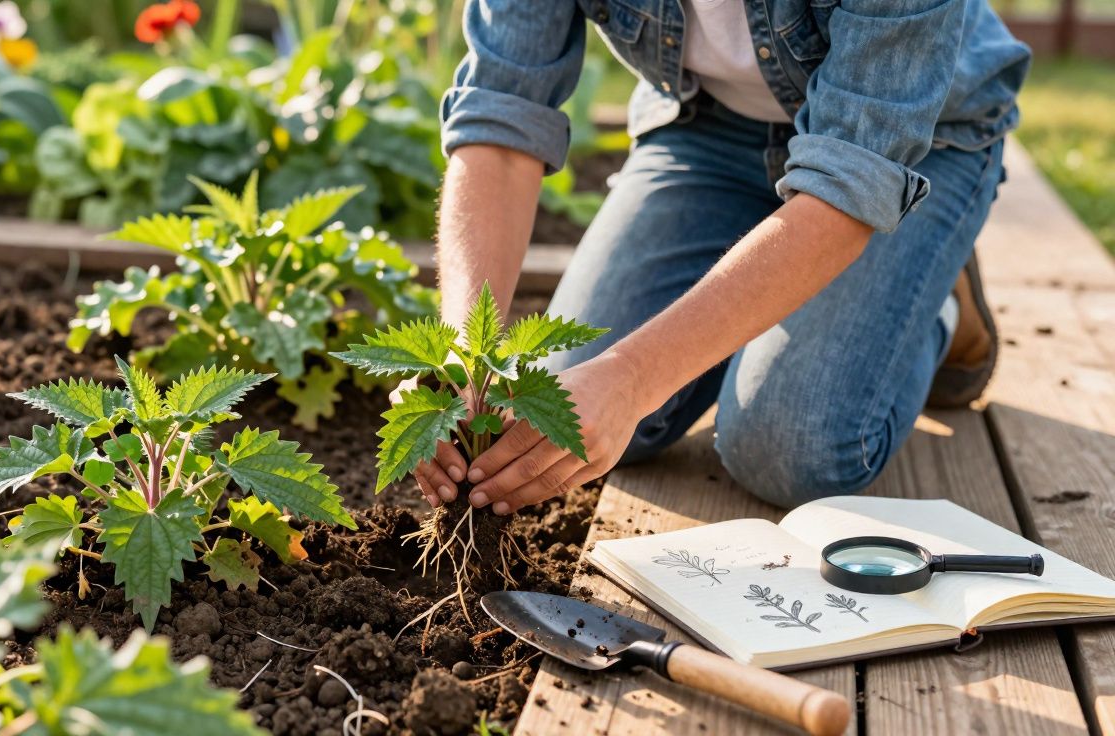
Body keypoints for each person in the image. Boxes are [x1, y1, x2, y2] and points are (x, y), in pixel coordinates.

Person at [408, 0, 1030, 514]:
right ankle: (769, 281)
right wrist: (465, 356)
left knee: (787, 447)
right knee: (562, 401)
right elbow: (500, 115)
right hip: (708, 127)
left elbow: (846, 188)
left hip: (914, 143)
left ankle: (934, 297)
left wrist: (630, 378)